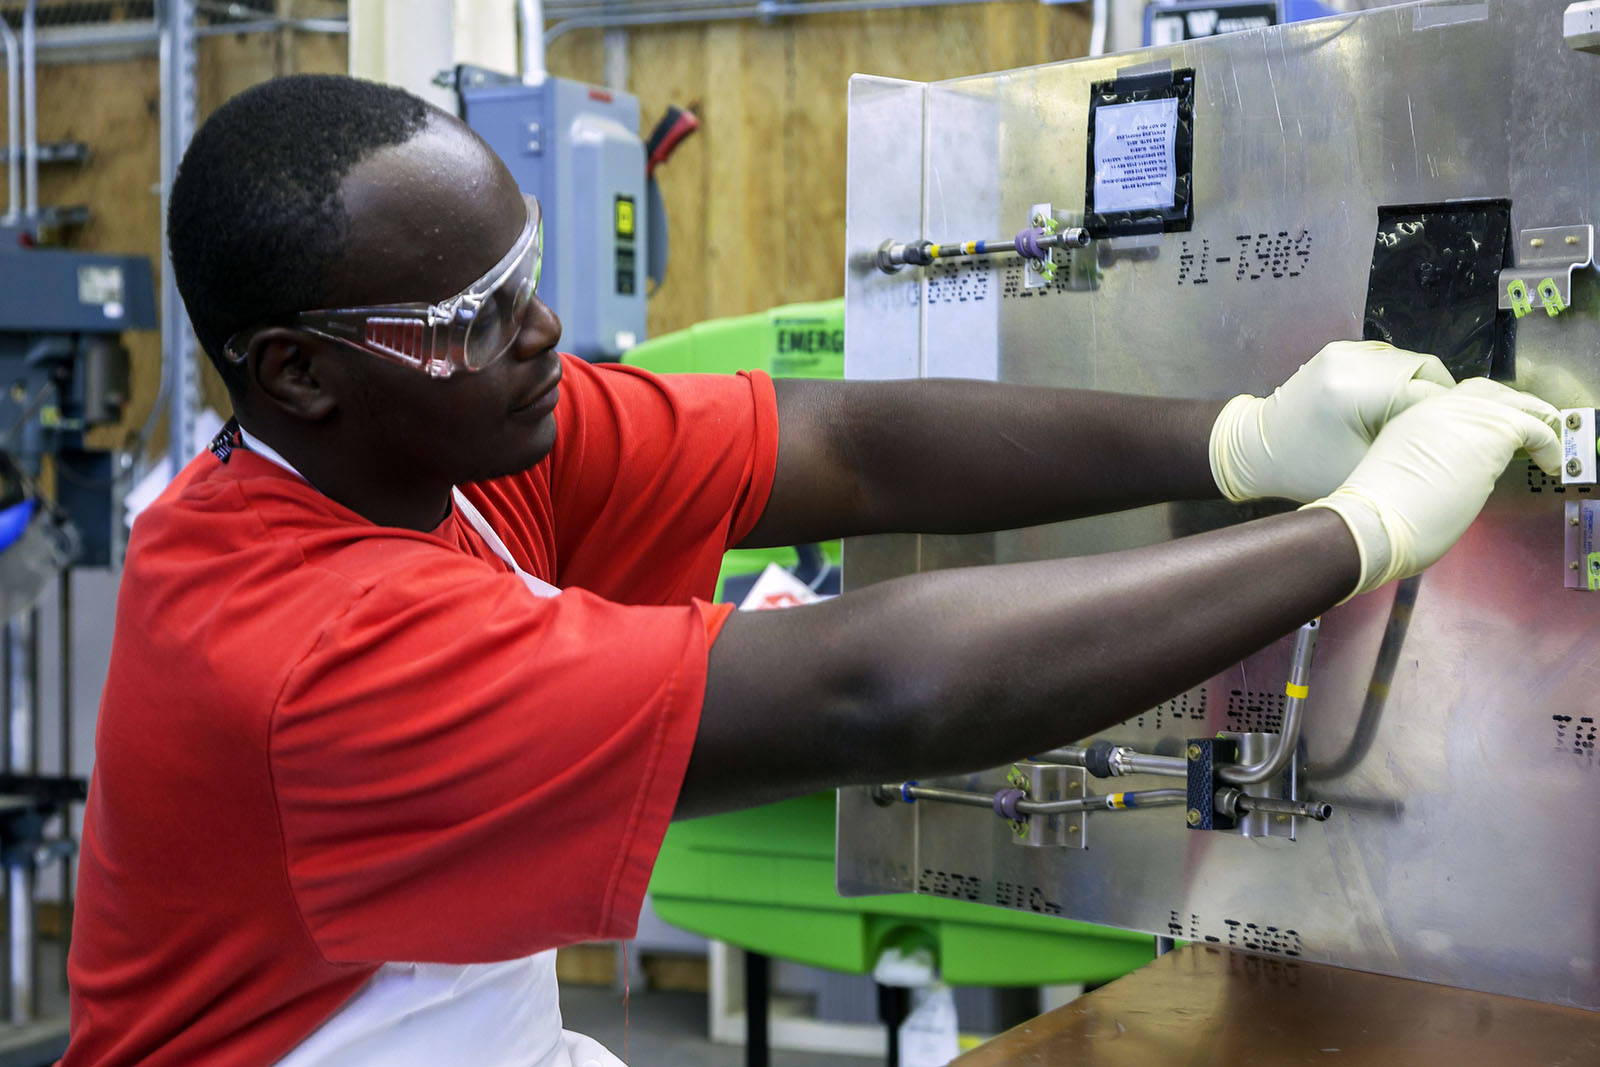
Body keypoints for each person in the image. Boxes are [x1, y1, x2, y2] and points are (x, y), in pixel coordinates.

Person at [61, 74, 1562, 1067]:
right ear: (298, 372)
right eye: (471, 311)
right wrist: (1350, 535)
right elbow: (874, 691)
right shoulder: (311, 654)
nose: (540, 336)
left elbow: (843, 443)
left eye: (526, 277)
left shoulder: (440, 449)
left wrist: (1238, 440)